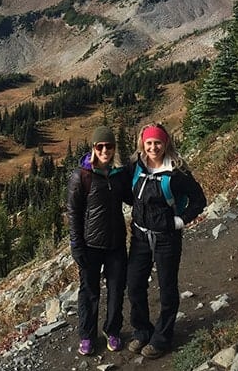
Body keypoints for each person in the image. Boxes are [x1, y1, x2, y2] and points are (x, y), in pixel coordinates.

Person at [127, 123, 206, 358]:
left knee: (167, 288)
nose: (153, 147)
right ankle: (142, 331)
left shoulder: (176, 172)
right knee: (134, 286)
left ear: (166, 144)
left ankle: (162, 339)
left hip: (167, 239)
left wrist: (179, 222)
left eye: (157, 143)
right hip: (140, 235)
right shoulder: (136, 166)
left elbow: (198, 200)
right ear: (143, 144)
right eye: (149, 143)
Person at [67, 125, 133, 356]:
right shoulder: (81, 176)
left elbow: (131, 198)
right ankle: (87, 335)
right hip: (90, 245)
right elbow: (73, 213)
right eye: (100, 146)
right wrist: (76, 245)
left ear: (114, 148)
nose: (105, 150)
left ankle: (112, 330)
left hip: (116, 243)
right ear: (94, 148)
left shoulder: (119, 174)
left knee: (116, 289)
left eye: (109, 146)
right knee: (89, 292)